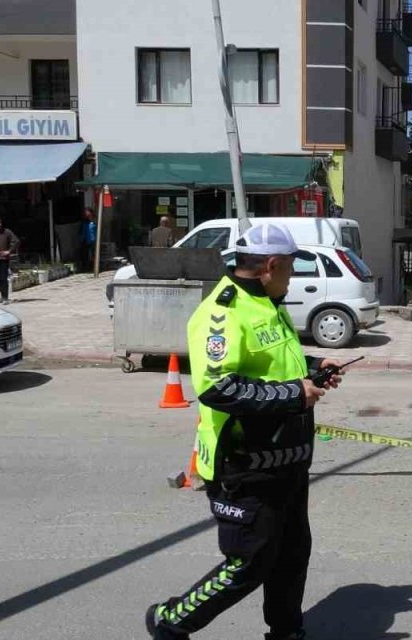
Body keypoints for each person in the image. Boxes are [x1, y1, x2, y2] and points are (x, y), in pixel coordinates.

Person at [146, 223, 349, 640]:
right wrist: (295, 394)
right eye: (290, 267)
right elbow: (217, 388)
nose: (292, 276)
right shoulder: (222, 314)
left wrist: (313, 367)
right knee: (249, 562)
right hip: (244, 464)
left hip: (288, 459)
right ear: (270, 265)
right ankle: (171, 620)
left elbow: (273, 362)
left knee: (291, 555)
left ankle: (287, 631)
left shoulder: (267, 302)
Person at [79, 208, 97, 272]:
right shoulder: (83, 222)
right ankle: (85, 267)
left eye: (88, 213)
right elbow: (81, 232)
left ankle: (93, 267)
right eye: (85, 213)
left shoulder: (94, 221)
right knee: (85, 254)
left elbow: (96, 231)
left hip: (93, 240)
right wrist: (81, 239)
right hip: (85, 241)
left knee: (93, 254)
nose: (86, 214)